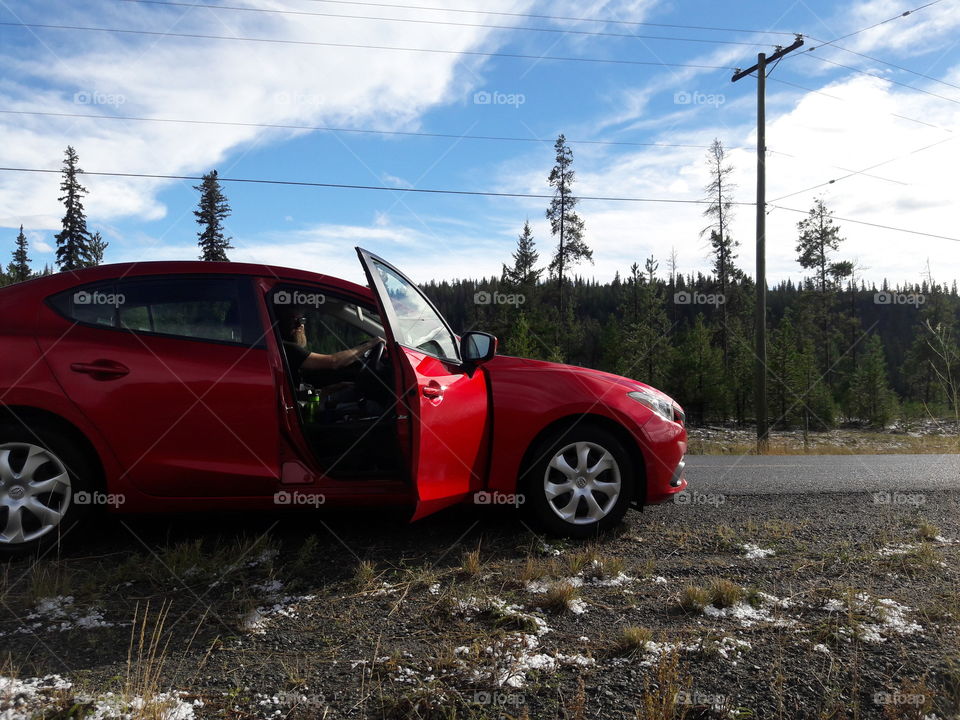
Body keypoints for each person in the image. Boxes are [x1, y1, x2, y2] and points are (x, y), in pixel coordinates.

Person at [280, 312, 383, 378]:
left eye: (302, 320)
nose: (301, 325)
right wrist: (369, 344)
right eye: (295, 321)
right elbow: (333, 361)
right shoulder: (288, 349)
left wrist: (328, 391)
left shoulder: (283, 348)